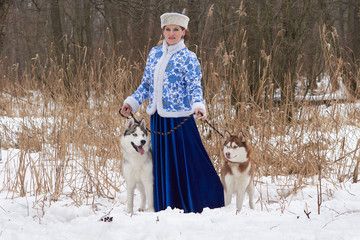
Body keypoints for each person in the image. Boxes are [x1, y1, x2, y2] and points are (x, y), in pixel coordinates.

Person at [121, 12, 224, 213]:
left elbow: (195, 87)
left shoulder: (188, 58)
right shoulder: (154, 53)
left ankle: (206, 197)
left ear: (184, 32)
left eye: (176, 29)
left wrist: (198, 105)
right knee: (161, 162)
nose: (171, 33)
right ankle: (164, 203)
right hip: (158, 119)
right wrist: (132, 103)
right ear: (163, 31)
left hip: (180, 120)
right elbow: (146, 84)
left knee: (189, 161)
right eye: (168, 29)